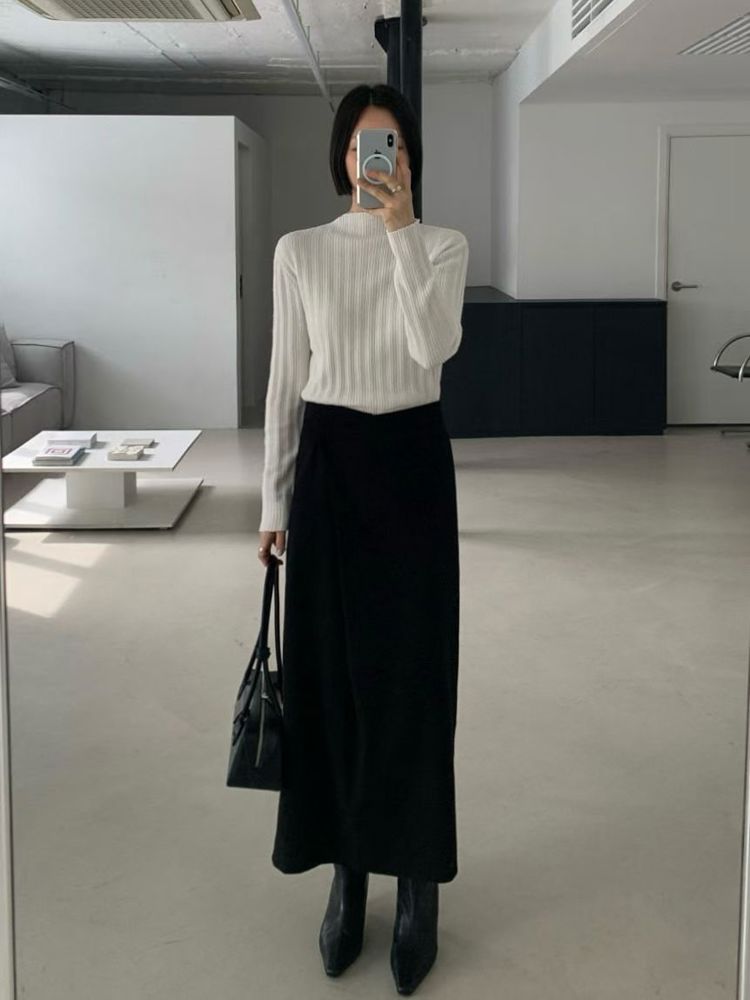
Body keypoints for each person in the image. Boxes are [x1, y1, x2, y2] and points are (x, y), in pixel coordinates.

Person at [257, 82, 469, 995]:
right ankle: (347, 870)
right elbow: (285, 379)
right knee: (330, 679)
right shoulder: (298, 251)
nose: (376, 159)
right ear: (342, 156)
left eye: (393, 146)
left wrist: (400, 232)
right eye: (362, 145)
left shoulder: (442, 245)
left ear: (409, 160)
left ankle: (417, 883)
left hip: (412, 464)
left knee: (415, 681)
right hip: (331, 468)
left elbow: (431, 350)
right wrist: (273, 502)